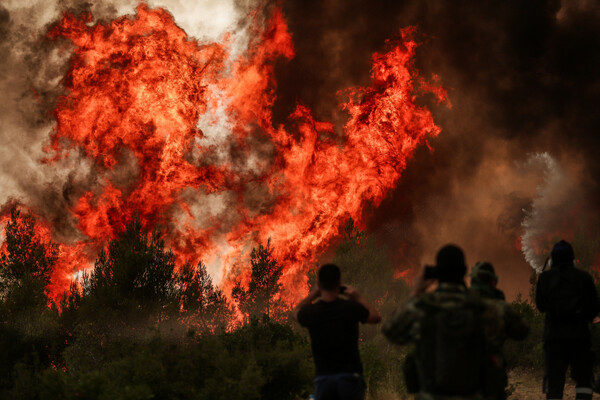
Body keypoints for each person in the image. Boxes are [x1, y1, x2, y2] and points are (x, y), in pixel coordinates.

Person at [383, 245, 528, 400]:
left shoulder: (422, 306)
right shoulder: (485, 307)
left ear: (437, 272)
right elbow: (519, 332)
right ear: (464, 271)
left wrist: (416, 292)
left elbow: (391, 331)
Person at [293, 263, 381, 400]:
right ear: (339, 283)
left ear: (319, 284)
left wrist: (314, 294)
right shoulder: (351, 307)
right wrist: (357, 297)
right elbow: (376, 317)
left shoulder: (312, 312)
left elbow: (295, 312)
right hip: (349, 378)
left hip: (324, 380)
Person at [536, 240, 600, 400]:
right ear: (573, 259)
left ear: (552, 260)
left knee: (554, 385)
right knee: (584, 382)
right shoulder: (584, 278)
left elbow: (541, 307)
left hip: (554, 340)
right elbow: (594, 310)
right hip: (580, 339)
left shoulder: (545, 278)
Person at [469, 261, 522, 400]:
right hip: (492, 376)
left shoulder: (460, 304)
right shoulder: (499, 307)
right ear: (493, 282)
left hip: (463, 375)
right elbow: (522, 331)